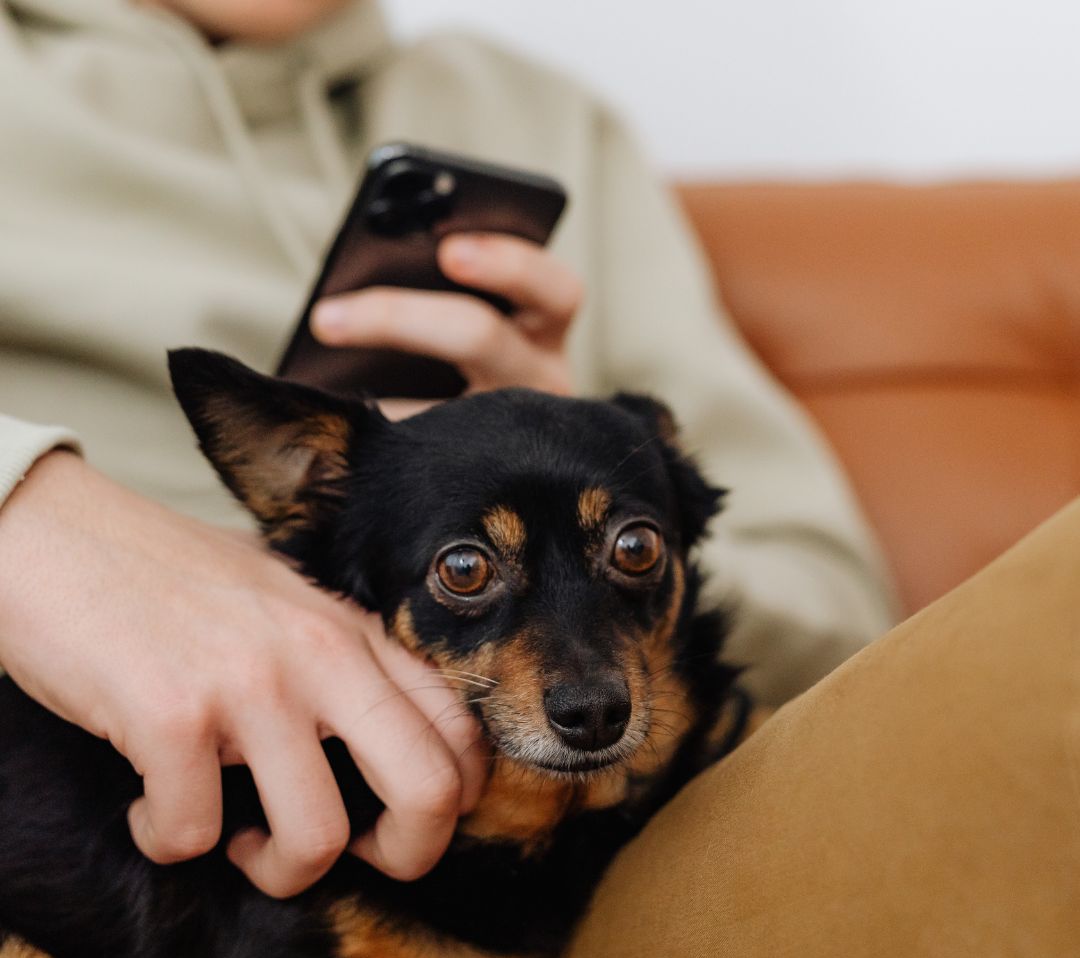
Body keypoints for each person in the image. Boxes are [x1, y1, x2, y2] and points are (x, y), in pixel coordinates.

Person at [0, 0, 896, 900]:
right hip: (149, 889)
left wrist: (578, 459)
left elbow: (850, 628)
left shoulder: (531, 115)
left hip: (625, 875)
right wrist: (28, 515)